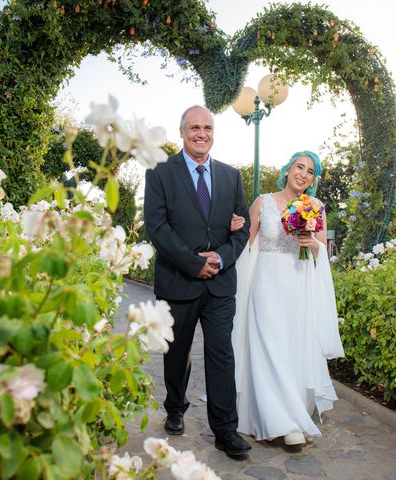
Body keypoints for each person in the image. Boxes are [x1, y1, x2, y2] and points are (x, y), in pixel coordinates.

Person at [144, 105, 252, 457]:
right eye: (194, 127)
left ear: (213, 132)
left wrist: (220, 257)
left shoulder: (231, 176)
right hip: (178, 280)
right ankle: (175, 407)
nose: (201, 133)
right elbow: (156, 226)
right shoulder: (160, 171)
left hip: (220, 283)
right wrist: (193, 263)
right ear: (182, 132)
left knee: (221, 354)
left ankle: (225, 430)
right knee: (177, 352)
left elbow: (242, 227)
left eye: (207, 127)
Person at [232, 151, 345, 446]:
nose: (303, 174)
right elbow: (245, 244)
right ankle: (278, 421)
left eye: (310, 171)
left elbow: (322, 250)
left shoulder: (316, 207)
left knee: (291, 348)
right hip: (266, 285)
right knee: (267, 346)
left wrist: (312, 243)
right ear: (288, 169)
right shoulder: (263, 203)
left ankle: (291, 414)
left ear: (312, 179)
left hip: (297, 286)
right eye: (299, 167)